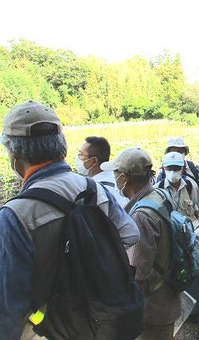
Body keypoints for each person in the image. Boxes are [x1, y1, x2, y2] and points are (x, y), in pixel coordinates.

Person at [0, 101, 141, 340]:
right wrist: (91, 267)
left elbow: (9, 308)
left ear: (15, 157)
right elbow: (131, 234)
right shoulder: (94, 189)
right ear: (61, 149)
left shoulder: (14, 216)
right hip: (98, 319)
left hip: (48, 330)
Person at [102, 147, 180, 339]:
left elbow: (137, 275)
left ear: (125, 178)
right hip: (168, 295)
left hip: (152, 309)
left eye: (116, 174)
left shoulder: (140, 216)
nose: (115, 178)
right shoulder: (159, 196)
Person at [155, 151, 199, 326]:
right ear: (164, 168)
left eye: (176, 168)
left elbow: (198, 213)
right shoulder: (158, 189)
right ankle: (175, 312)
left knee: (195, 271)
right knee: (173, 273)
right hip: (170, 238)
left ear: (183, 168)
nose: (173, 171)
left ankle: (196, 310)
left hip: (191, 236)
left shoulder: (191, 186)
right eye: (169, 168)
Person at [159, 137, 199, 295]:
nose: (176, 153)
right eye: (172, 150)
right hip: (174, 230)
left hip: (194, 224)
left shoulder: (193, 172)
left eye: (179, 150)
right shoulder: (160, 182)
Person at [75, 136, 129, 207]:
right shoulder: (114, 178)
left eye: (80, 155)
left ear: (93, 161)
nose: (77, 158)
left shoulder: (96, 189)